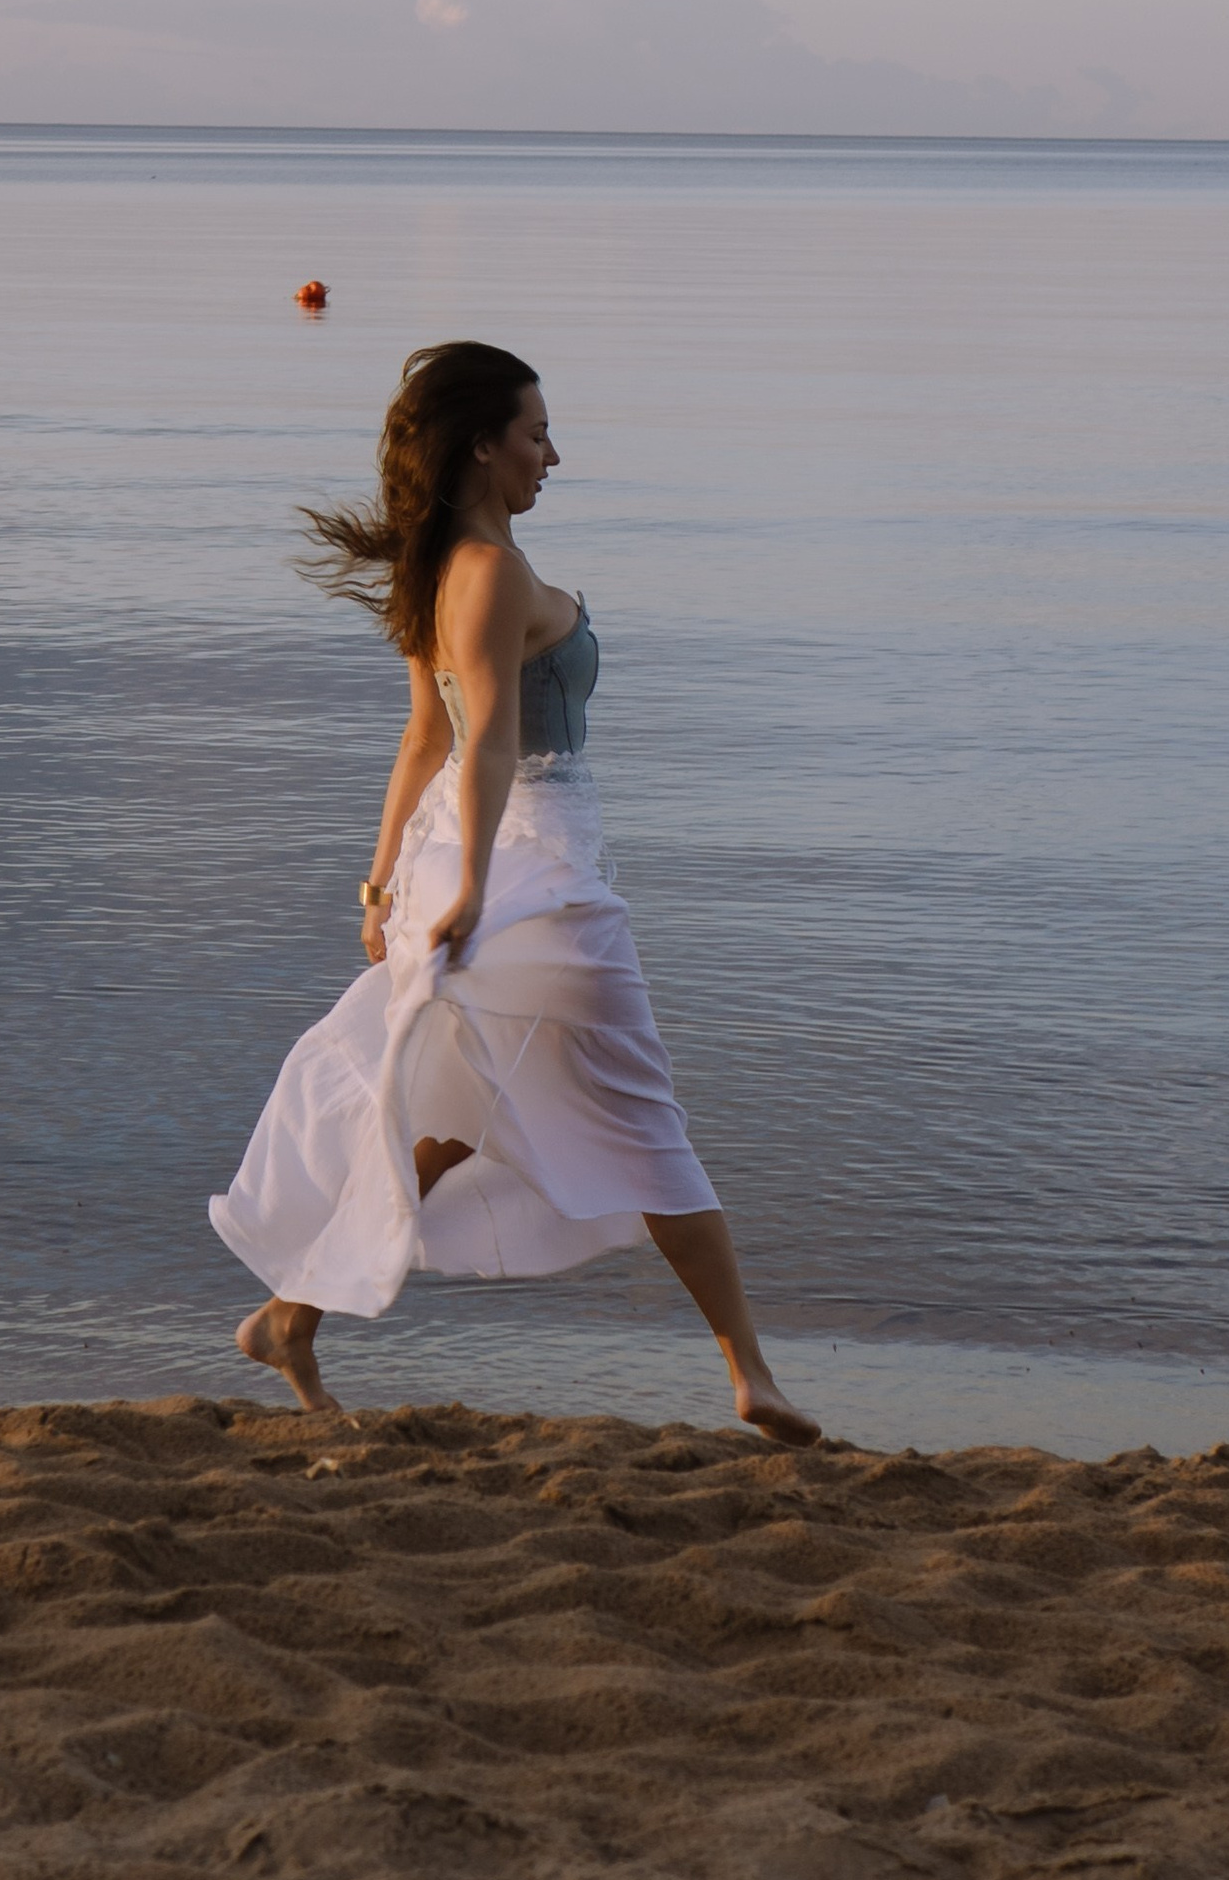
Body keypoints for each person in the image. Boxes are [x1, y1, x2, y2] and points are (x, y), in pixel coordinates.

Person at [212, 340, 820, 1446]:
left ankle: (289, 1316)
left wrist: (385, 878)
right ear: (483, 445)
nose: (553, 453)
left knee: (457, 1113)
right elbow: (479, 741)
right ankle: (753, 1377)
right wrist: (462, 890)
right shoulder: (484, 574)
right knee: (644, 1118)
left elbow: (421, 740)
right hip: (533, 875)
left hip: (487, 862)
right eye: (536, 433)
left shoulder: (446, 563)